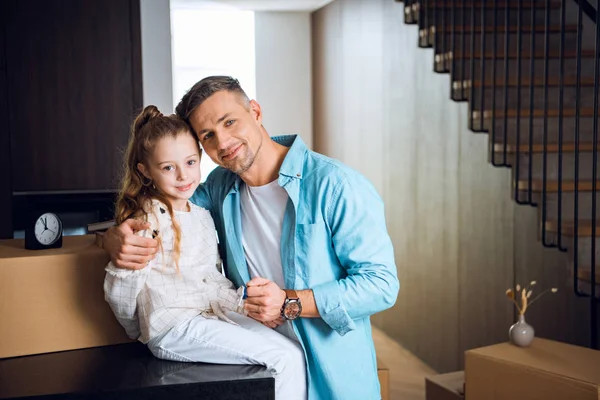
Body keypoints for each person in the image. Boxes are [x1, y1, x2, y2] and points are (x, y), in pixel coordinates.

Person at [103, 76, 399, 400]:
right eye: (208, 136)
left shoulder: (336, 185)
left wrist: (290, 302)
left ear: (255, 112)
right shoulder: (218, 187)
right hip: (257, 370)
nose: (223, 141)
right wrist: (113, 237)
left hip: (332, 378)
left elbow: (381, 285)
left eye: (229, 121)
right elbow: (162, 212)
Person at [103, 105, 306, 400]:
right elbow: (121, 291)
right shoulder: (147, 222)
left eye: (190, 162)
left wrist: (243, 307)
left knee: (292, 351)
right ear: (145, 172)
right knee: (282, 359)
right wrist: (139, 331)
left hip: (208, 316)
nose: (183, 175)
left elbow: (208, 281)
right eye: (168, 167)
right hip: (171, 326)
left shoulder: (201, 214)